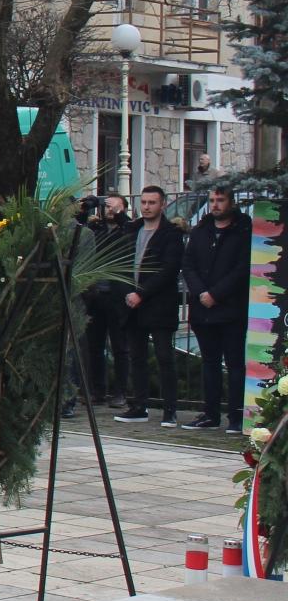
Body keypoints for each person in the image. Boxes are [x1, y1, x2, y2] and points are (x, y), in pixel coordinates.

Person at [181, 185, 252, 433]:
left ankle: (236, 416)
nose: (215, 204)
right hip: (203, 310)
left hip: (231, 309)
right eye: (212, 200)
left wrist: (216, 294)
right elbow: (188, 264)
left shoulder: (243, 230)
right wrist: (202, 293)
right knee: (209, 363)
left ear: (231, 202)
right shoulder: (202, 230)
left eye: (220, 200)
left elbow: (242, 269)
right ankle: (210, 414)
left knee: (234, 364)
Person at [113, 185, 184, 427]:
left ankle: (169, 410)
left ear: (162, 205)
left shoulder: (171, 234)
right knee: (137, 357)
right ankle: (139, 406)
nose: (146, 207)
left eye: (152, 202)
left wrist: (142, 293)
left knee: (165, 357)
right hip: (132, 305)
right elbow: (120, 263)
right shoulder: (132, 230)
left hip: (158, 304)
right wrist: (128, 294)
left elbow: (168, 269)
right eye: (143, 202)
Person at [80, 193, 134, 406]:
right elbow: (78, 232)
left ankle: (120, 391)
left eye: (114, 207)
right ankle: (97, 390)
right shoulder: (96, 229)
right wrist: (85, 210)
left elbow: (129, 232)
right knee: (95, 346)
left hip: (117, 294)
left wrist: (120, 215)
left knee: (120, 346)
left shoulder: (128, 228)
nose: (109, 210)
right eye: (106, 206)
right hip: (96, 294)